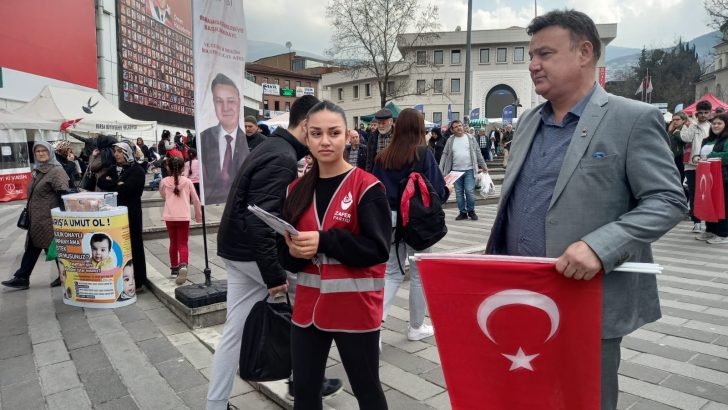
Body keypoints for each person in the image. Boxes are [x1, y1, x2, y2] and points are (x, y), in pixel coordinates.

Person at [485, 10, 687, 410]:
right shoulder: (527, 122)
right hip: (521, 296)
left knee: (585, 400)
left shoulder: (632, 119)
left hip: (587, 300)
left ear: (584, 52)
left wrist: (600, 246)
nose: (532, 65)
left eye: (544, 53)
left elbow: (668, 200)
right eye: (531, 55)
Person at [206, 95, 344, 410]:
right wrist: (274, 275)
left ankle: (215, 405)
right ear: (307, 125)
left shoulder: (271, 147)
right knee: (309, 305)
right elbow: (259, 222)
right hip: (252, 253)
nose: (322, 136)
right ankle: (305, 381)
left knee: (234, 331)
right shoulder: (281, 157)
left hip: (236, 250)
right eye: (318, 129)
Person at [281, 101, 391, 410]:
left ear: (347, 136)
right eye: (316, 133)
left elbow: (378, 250)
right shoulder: (295, 189)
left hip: (354, 308)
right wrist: (292, 251)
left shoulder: (367, 187)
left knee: (367, 390)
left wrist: (324, 241)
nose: (325, 141)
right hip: (306, 310)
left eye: (334, 132)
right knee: (304, 393)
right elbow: (286, 256)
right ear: (307, 135)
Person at [372, 108, 450, 342]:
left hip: (389, 221)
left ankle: (374, 323)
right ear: (418, 129)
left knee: (392, 273)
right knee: (418, 274)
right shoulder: (423, 154)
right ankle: (416, 327)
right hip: (417, 223)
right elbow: (438, 192)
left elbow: (374, 191)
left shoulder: (382, 156)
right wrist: (448, 189)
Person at [2, 141, 69, 290]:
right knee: (37, 247)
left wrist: (62, 218)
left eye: (43, 150)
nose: (40, 153)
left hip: (48, 219)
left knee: (52, 247)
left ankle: (63, 275)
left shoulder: (57, 170)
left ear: (50, 152)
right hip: (37, 219)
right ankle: (23, 277)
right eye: (37, 151)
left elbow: (63, 193)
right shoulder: (39, 169)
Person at [97, 141, 147, 292]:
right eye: (115, 151)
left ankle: (138, 280)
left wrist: (113, 184)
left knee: (134, 245)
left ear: (127, 152)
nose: (116, 154)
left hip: (131, 213)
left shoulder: (137, 170)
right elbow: (100, 181)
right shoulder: (113, 168)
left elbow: (126, 190)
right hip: (115, 214)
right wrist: (117, 184)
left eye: (119, 151)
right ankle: (120, 278)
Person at [200, 73, 249, 204]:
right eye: (219, 101)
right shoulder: (203, 139)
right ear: (213, 104)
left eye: (231, 101)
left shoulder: (248, 140)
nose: (226, 108)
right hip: (212, 203)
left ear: (239, 102)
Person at [160, 156, 202, 285]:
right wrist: (198, 217)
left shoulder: (164, 181)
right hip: (184, 217)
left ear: (168, 167)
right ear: (183, 168)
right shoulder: (188, 182)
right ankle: (183, 265)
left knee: (173, 242)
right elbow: (195, 199)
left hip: (169, 216)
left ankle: (173, 270)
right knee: (183, 243)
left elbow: (163, 196)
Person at [439, 119, 488, 221]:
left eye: (460, 125)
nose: (459, 128)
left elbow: (478, 152)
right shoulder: (450, 140)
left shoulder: (471, 138)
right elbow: (445, 154)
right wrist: (441, 167)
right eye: (456, 127)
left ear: (463, 126)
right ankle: (462, 212)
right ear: (452, 130)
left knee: (469, 191)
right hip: (455, 172)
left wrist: (483, 165)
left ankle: (471, 210)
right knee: (459, 193)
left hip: (470, 169)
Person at [681, 100, 713, 233]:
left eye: (706, 113)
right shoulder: (689, 124)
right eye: (700, 113)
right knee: (694, 194)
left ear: (710, 113)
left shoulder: (712, 126)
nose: (703, 115)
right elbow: (686, 138)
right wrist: (693, 123)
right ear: (696, 113)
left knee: (708, 193)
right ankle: (697, 222)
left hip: (708, 164)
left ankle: (709, 222)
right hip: (691, 165)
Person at [698, 113, 728, 243]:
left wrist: (710, 155)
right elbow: (700, 154)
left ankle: (723, 234)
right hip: (707, 177)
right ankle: (710, 230)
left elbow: (726, 156)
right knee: (709, 203)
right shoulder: (707, 139)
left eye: (719, 123)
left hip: (724, 178)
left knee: (723, 205)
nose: (715, 125)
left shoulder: (726, 139)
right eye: (714, 123)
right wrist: (696, 157)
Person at [667, 112, 688, 192]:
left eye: (677, 119)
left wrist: (675, 132)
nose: (675, 121)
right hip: (672, 158)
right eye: (673, 120)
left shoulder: (686, 128)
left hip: (682, 159)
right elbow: (667, 142)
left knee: (680, 182)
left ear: (683, 120)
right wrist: (669, 132)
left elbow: (684, 140)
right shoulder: (673, 130)